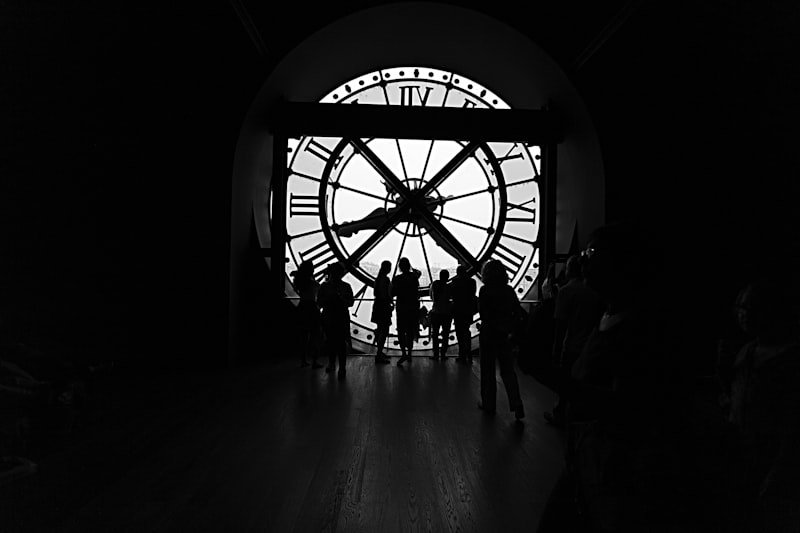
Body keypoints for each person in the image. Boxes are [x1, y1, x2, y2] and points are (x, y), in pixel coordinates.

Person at [723, 276, 800, 532]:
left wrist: (780, 468)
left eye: (752, 308)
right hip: (741, 455)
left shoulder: (789, 359)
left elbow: (792, 421)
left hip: (773, 458)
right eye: (741, 307)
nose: (744, 314)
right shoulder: (747, 351)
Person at [543, 254, 602, 427]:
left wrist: (556, 349)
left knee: (565, 383)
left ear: (569, 270)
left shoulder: (566, 292)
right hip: (589, 345)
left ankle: (561, 414)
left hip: (571, 346)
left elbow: (560, 326)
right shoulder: (594, 291)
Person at [477, 259, 525, 420]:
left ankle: (489, 404)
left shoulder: (485, 291)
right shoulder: (508, 291)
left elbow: (484, 314)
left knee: (488, 371)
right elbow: (517, 312)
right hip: (504, 335)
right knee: (508, 371)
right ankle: (517, 403)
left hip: (488, 334)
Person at [317, 262, 354, 380]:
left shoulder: (324, 286)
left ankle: (332, 363)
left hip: (328, 317)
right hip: (341, 317)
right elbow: (350, 303)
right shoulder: (346, 287)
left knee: (331, 342)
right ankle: (342, 367)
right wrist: (341, 299)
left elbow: (319, 302)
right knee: (341, 343)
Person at [290, 260, 323, 369]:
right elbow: (318, 289)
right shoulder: (312, 283)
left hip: (303, 307)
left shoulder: (300, 281)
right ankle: (314, 361)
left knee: (304, 336)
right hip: (312, 308)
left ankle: (303, 360)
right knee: (315, 336)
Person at [392, 257, 421, 366]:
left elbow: (393, 293)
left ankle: (404, 353)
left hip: (401, 308)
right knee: (410, 332)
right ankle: (409, 353)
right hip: (412, 308)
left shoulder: (397, 279)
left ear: (399, 267)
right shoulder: (414, 277)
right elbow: (418, 273)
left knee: (401, 331)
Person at [450, 265, 477, 365]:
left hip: (458, 310)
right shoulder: (472, 282)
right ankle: (468, 354)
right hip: (468, 310)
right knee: (466, 331)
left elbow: (452, 295)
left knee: (460, 333)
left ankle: (462, 355)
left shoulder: (455, 282)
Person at [428, 269, 453, 361]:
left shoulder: (435, 285)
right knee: (445, 334)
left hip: (436, 312)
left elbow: (432, 297)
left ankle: (436, 354)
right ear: (447, 277)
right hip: (446, 313)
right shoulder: (449, 287)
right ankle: (443, 353)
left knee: (435, 334)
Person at [371, 260, 392, 364]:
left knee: (380, 330)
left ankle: (379, 353)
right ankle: (379, 354)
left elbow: (377, 294)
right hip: (384, 307)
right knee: (384, 331)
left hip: (378, 306)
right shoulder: (386, 280)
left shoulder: (378, 279)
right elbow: (387, 294)